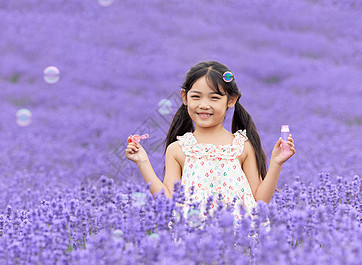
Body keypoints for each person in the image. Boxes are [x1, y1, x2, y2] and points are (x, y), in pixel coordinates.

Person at [125, 61, 295, 222]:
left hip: (239, 234)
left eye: (214, 98)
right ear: (184, 97)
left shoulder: (242, 146)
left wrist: (276, 163)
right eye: (196, 96)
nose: (204, 105)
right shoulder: (178, 149)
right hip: (193, 236)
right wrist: (143, 162)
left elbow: (259, 201)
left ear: (231, 100)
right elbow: (168, 200)